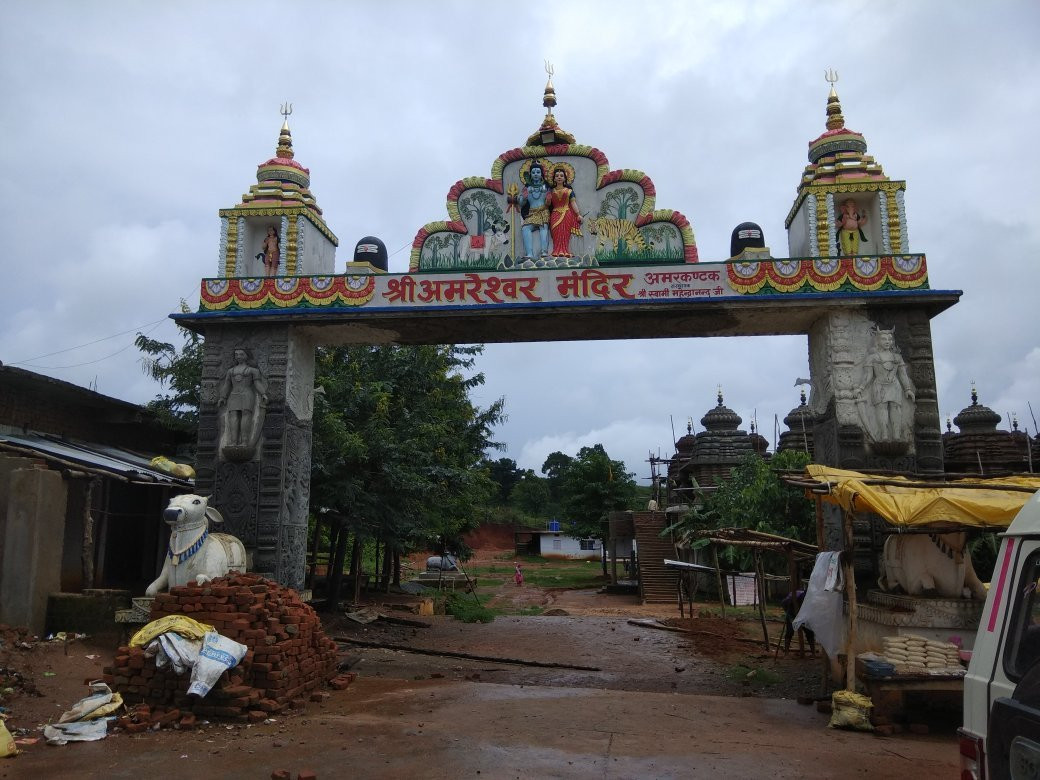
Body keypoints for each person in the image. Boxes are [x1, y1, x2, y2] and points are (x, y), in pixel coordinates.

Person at [859, 328, 915, 442]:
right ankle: (884, 435)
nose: (887, 341)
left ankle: (896, 435)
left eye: (890, 339)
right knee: (882, 409)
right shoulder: (873, 357)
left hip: (894, 385)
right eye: (884, 339)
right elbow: (868, 375)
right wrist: (861, 387)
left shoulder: (897, 357)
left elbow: (903, 374)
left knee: (896, 408)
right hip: (879, 385)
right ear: (878, 341)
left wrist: (908, 389)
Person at [218, 348, 268, 448]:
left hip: (247, 393)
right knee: (233, 417)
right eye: (236, 354)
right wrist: (223, 397)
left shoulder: (253, 370)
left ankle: (244, 441)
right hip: (234, 394)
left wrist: (263, 394)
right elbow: (227, 385)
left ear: (246, 356)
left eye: (241, 354)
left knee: (246, 416)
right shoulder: (230, 371)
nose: (238, 356)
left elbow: (257, 383)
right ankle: (233, 441)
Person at [516, 161, 550, 259]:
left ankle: (544, 251)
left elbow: (549, 203)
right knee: (525, 228)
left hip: (543, 211)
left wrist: (548, 199)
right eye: (533, 172)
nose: (535, 174)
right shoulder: (528, 187)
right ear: (530, 174)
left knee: (544, 227)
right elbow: (521, 203)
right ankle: (529, 254)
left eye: (538, 172)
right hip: (532, 213)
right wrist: (524, 197)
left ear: (541, 174)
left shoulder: (545, 186)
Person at [548, 165, 582, 257]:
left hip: (566, 213)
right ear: (554, 178)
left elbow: (573, 203)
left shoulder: (569, 191)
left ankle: (565, 250)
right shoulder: (551, 191)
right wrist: (547, 199)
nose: (559, 177)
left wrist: (578, 214)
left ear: (565, 178)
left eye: (561, 176)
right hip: (555, 214)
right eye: (557, 176)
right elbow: (547, 205)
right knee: (556, 233)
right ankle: (556, 251)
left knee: (565, 233)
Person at [781, 589, 815, 656]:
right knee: (790, 632)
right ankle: (786, 654)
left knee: (810, 632)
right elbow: (783, 603)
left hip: (804, 615)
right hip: (792, 614)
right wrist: (791, 617)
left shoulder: (811, 599)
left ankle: (813, 653)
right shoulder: (793, 597)